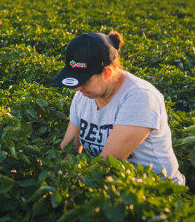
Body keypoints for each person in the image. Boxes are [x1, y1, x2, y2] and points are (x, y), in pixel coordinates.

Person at [54, 31, 185, 185]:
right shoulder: (83, 96)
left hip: (158, 193)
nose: (78, 88)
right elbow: (69, 151)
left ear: (107, 73)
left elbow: (105, 165)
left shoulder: (139, 98)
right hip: (116, 188)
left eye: (85, 81)